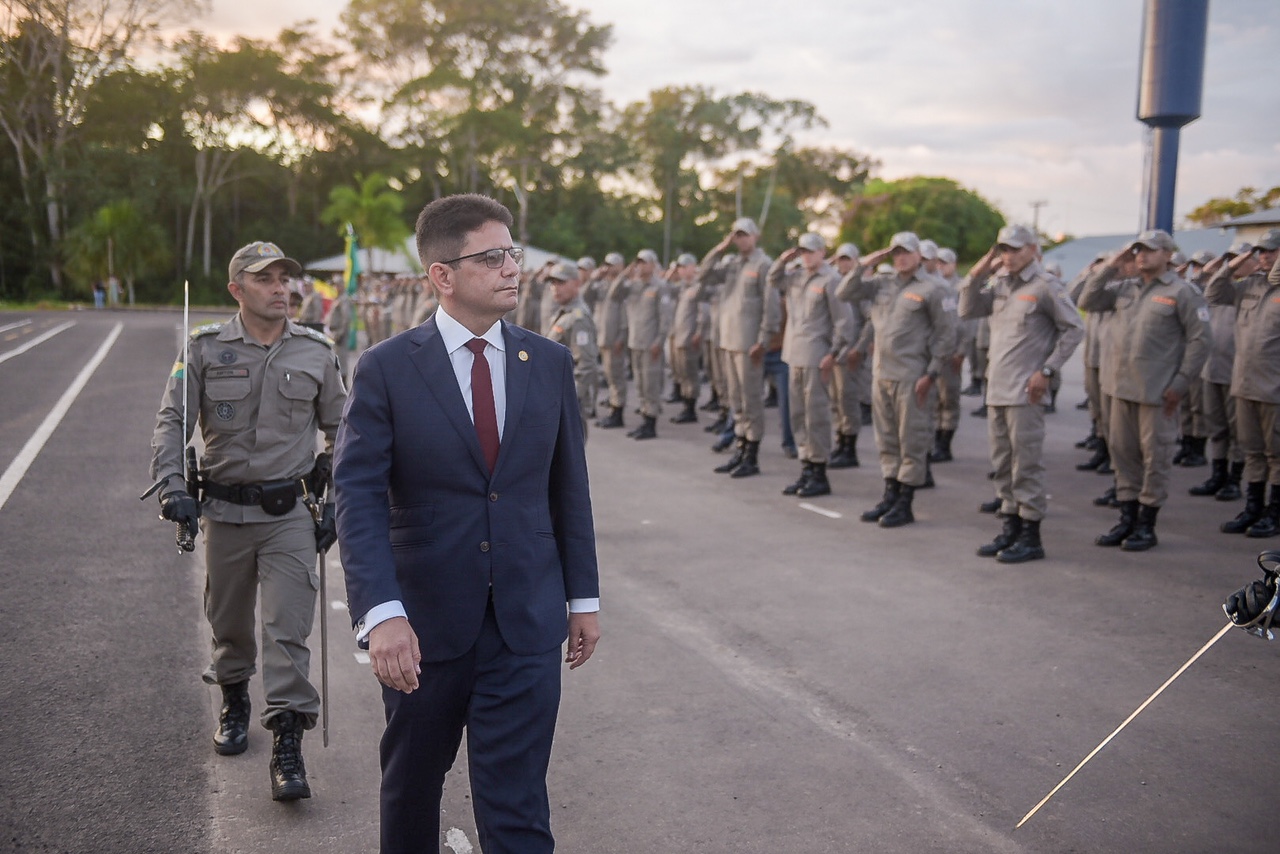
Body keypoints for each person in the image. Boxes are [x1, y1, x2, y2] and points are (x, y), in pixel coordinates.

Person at [333, 194, 600, 854]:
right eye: (492, 257)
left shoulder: (549, 363)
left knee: (518, 804)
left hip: (525, 622)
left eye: (513, 254)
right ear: (442, 275)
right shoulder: (388, 368)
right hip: (423, 627)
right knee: (413, 789)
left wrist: (583, 598)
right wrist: (381, 613)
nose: (512, 268)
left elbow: (569, 489)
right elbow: (357, 496)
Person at [148, 241, 347, 801]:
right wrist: (172, 484)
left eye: (286, 278)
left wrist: (339, 499)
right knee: (229, 623)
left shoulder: (315, 351)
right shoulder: (205, 348)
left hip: (290, 515)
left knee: (288, 630)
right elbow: (172, 420)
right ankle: (234, 696)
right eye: (266, 280)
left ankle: (287, 741)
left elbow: (345, 428)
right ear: (237, 290)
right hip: (225, 513)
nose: (281, 288)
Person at [1077, 229, 1210, 551]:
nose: (1141, 256)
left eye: (1149, 250)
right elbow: (1086, 300)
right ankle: (1126, 519)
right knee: (1123, 455)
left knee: (1155, 459)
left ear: (1167, 254)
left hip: (1157, 393)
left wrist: (1180, 383)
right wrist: (1113, 263)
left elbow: (1201, 340)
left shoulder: (1182, 292)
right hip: (1119, 389)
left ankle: (1146, 525)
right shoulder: (1125, 287)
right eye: (1137, 251)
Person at [959, 225, 1084, 562]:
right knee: (1002, 463)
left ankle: (1031, 536)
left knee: (1025, 464)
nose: (1008, 256)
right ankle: (1009, 528)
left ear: (1032, 249)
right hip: (997, 388)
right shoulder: (999, 283)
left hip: (1025, 392)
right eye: (1002, 249)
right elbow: (967, 309)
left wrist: (1047, 369)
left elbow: (1074, 328)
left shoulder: (1045, 286)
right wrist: (978, 271)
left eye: (1014, 249)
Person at [838, 231, 956, 528]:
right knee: (887, 440)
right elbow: (844, 293)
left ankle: (905, 502)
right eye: (896, 252)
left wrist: (932, 374)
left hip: (912, 376)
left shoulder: (933, 288)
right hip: (882, 374)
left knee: (911, 441)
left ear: (919, 255)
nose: (900, 257)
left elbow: (946, 335)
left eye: (906, 252)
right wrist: (866, 263)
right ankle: (889, 495)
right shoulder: (882, 283)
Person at [767, 233, 856, 497]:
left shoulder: (831, 280)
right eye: (802, 251)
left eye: (810, 251)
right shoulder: (795, 276)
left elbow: (844, 322)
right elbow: (772, 280)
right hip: (793, 355)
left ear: (822, 252)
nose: (805, 256)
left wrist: (834, 354)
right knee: (798, 415)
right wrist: (783, 259)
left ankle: (819, 472)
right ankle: (805, 467)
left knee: (816, 415)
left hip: (818, 356)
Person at [1207, 231, 1280, 537]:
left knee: (1276, 454)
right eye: (1260, 251)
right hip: (1244, 383)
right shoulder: (1247, 285)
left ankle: (1273, 512)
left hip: (1274, 388)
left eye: (1271, 251)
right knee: (1252, 451)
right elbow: (1213, 291)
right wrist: (1238, 260)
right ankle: (1252, 507)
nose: (1264, 256)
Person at [695, 217, 777, 479]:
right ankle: (740, 449)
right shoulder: (730, 263)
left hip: (748, 344)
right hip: (728, 341)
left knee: (751, 400)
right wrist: (721, 248)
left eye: (745, 234)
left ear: (756, 236)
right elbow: (703, 274)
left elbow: (771, 306)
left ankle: (751, 455)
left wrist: (763, 341)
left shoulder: (764, 265)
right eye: (736, 235)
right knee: (736, 400)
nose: (740, 239)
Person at [611, 249, 672, 440]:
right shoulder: (634, 285)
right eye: (639, 262)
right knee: (639, 384)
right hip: (635, 342)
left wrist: (659, 341)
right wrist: (625, 272)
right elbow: (614, 294)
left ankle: (650, 423)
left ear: (653, 265)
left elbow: (665, 318)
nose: (641, 266)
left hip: (650, 344)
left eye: (645, 262)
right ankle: (645, 419)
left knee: (650, 384)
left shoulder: (660, 287)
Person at [544, 260, 601, 439]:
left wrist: (571, 398)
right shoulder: (564, 313)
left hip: (566, 399)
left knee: (571, 452)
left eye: (561, 282)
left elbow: (586, 364)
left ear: (577, 283)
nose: (555, 288)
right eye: (553, 283)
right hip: (557, 395)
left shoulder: (578, 318)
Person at [592, 252, 630, 429]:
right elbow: (585, 295)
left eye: (612, 265)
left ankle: (618, 412)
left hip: (615, 338)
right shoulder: (603, 285)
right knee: (610, 375)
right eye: (606, 264)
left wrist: (621, 337)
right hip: (603, 337)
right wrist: (595, 277)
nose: (607, 268)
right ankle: (614, 407)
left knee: (616, 376)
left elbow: (625, 315)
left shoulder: (622, 286)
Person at [667, 253, 705, 424]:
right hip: (678, 337)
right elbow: (664, 287)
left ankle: (691, 408)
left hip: (690, 337)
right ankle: (685, 404)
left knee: (690, 374)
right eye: (679, 268)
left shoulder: (698, 286)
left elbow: (703, 312)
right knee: (682, 373)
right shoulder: (682, 287)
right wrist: (671, 273)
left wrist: (699, 332)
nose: (680, 271)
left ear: (692, 267)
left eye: (683, 267)